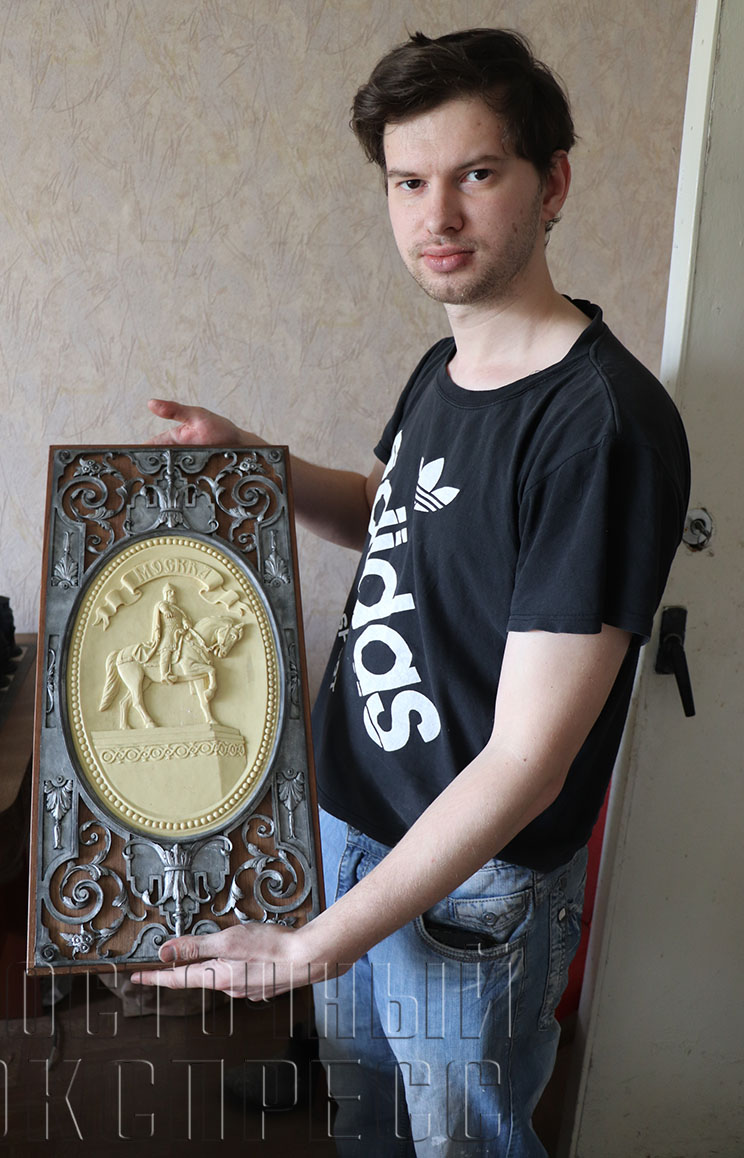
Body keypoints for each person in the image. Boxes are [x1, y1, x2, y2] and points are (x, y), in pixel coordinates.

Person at [131, 28, 690, 1155]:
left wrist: (313, 946)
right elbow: (388, 513)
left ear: (552, 184)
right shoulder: (444, 368)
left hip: (467, 889)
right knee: (371, 1130)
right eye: (406, 181)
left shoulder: (600, 429)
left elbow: (527, 762)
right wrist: (254, 464)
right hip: (354, 830)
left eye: (475, 174)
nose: (436, 216)